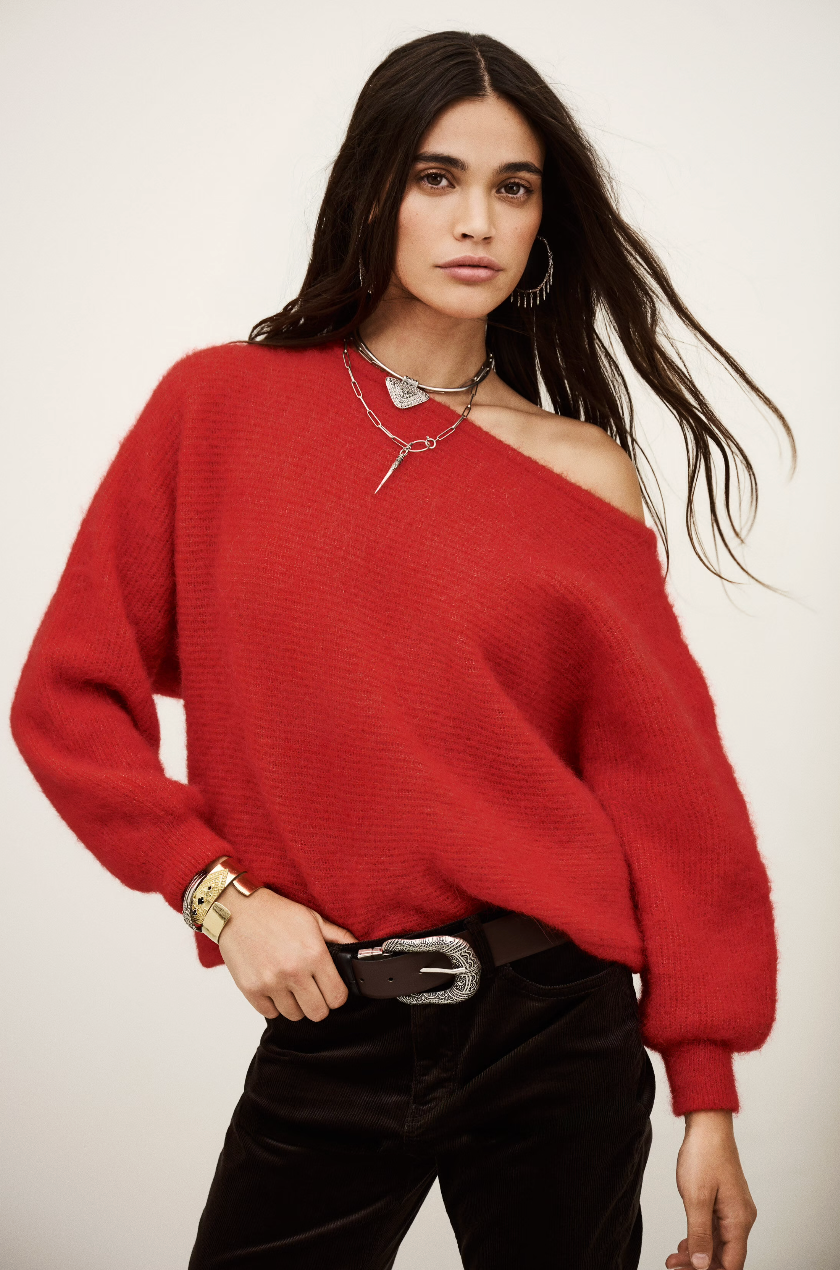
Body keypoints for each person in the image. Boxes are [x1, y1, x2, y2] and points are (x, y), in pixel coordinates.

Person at [9, 30, 792, 1270]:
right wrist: (220, 895)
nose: (477, 219)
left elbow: (669, 794)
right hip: (334, 1012)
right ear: (372, 189)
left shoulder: (583, 473)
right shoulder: (218, 410)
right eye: (438, 177)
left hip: (557, 1022)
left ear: (541, 221)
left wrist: (708, 1095)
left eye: (513, 187)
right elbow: (66, 697)